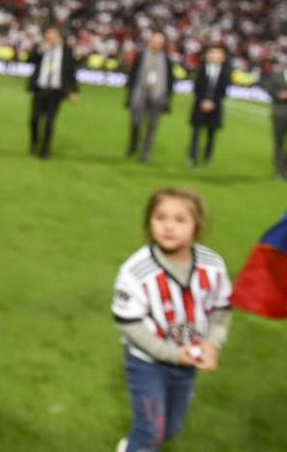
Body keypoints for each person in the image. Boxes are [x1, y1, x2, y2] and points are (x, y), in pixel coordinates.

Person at [111, 188, 232, 452]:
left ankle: (131, 445)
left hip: (189, 361)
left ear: (197, 225)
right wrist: (171, 354)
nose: (168, 227)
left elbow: (221, 309)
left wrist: (212, 344)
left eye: (180, 220)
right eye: (160, 218)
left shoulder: (213, 266)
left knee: (172, 428)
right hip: (147, 362)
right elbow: (128, 323)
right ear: (149, 222)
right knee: (150, 433)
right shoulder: (136, 271)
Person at [26, 25, 79, 159]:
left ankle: (45, 150)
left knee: (50, 120)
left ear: (59, 36)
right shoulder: (41, 47)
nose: (49, 37)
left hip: (56, 91)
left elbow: (72, 72)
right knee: (34, 118)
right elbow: (29, 60)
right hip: (40, 88)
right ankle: (34, 142)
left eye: (52, 34)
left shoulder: (67, 51)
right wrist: (40, 51)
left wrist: (75, 90)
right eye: (48, 34)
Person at [126, 32, 175, 162]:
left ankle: (146, 152)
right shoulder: (141, 55)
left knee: (152, 126)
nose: (156, 44)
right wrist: (130, 93)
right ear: (150, 42)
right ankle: (133, 145)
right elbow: (132, 74)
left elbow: (170, 80)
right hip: (140, 92)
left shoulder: (166, 60)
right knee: (136, 122)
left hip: (157, 95)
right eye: (154, 41)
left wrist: (167, 98)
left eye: (159, 42)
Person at [186, 46, 230, 167]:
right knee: (196, 132)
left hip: (215, 108)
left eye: (218, 54)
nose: (216, 56)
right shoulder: (201, 70)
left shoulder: (225, 72)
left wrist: (212, 102)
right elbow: (196, 88)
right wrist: (203, 101)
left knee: (211, 133)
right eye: (213, 53)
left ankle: (207, 157)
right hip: (200, 105)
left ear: (223, 58)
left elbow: (223, 91)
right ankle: (192, 157)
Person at [259, 59, 287, 180]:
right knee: (279, 141)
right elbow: (266, 86)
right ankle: (279, 170)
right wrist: (278, 94)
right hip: (279, 111)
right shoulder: (276, 76)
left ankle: (284, 167)